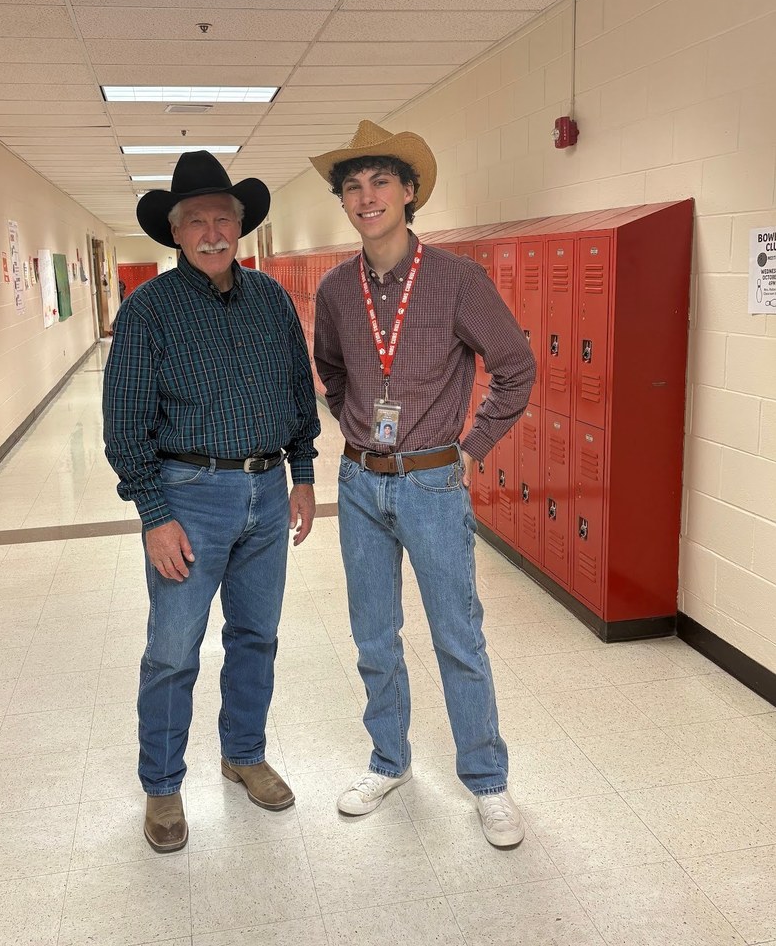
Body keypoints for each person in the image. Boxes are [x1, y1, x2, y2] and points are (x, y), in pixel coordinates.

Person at [310, 121, 535, 847]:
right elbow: (333, 371)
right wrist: (356, 428)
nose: (365, 196)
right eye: (352, 186)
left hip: (433, 483)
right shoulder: (336, 289)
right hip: (358, 483)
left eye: (380, 182)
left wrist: (471, 447)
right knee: (374, 637)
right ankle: (388, 761)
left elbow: (516, 367)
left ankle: (488, 781)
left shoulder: (456, 280)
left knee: (457, 637)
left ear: (409, 192)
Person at [103, 151, 320, 853]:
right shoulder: (147, 312)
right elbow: (124, 426)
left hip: (267, 490)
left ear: (239, 226)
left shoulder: (272, 299)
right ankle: (163, 786)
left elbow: (298, 391)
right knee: (173, 651)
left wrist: (302, 474)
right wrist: (154, 515)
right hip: (189, 498)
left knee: (256, 635)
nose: (211, 232)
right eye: (195, 220)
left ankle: (244, 754)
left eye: (222, 218)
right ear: (174, 233)